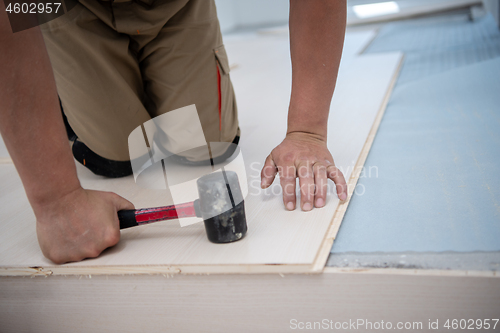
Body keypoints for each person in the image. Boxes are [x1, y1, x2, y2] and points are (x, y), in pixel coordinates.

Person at [0, 0, 348, 264]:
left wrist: (307, 131)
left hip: (173, 5)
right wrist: (56, 201)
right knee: (118, 158)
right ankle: (62, 91)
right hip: (64, 7)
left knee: (207, 149)